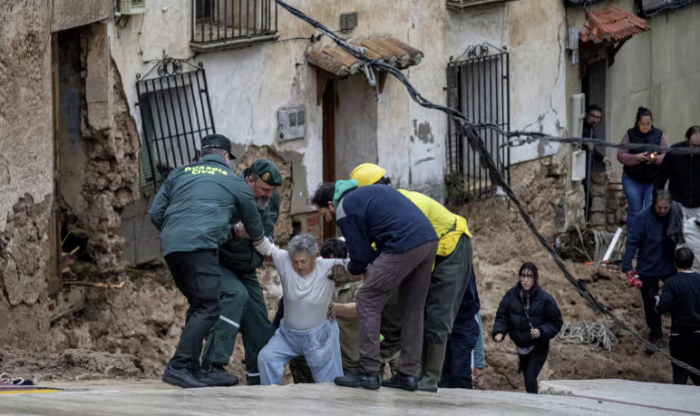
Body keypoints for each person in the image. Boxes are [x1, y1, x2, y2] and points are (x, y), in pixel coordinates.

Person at [149, 134, 266, 389]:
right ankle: (178, 366)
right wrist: (260, 242)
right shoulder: (234, 182)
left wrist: (175, 233)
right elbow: (253, 225)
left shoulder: (179, 173)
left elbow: (155, 212)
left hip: (171, 247)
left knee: (199, 303)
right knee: (209, 306)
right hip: (200, 247)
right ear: (226, 157)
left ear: (202, 153)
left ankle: (193, 368)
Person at [350, 163, 473, 392]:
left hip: (451, 248)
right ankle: (399, 368)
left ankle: (429, 378)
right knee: (397, 305)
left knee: (438, 312)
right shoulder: (380, 212)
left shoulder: (406, 204)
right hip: (422, 254)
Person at [311, 180, 438, 391]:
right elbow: (373, 249)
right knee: (413, 308)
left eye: (323, 212)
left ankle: (368, 371)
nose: (325, 218)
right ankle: (408, 374)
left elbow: (360, 258)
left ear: (330, 205)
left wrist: (349, 271)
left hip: (403, 243)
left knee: (367, 299)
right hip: (428, 240)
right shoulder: (366, 195)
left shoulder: (344, 207)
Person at [200, 159, 283, 386]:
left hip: (247, 269)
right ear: (249, 181)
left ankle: (259, 387)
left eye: (273, 190)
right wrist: (235, 232)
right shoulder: (227, 194)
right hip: (220, 263)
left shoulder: (272, 198)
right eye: (265, 189)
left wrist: (269, 244)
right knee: (236, 295)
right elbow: (209, 231)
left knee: (260, 329)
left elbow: (269, 227)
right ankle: (211, 366)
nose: (269, 195)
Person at [255, 234, 346, 385]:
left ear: (314, 256)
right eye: (295, 262)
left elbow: (358, 267)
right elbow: (265, 246)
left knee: (329, 386)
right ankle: (271, 401)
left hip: (319, 339)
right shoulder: (284, 260)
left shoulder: (330, 266)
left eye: (303, 261)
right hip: (287, 336)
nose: (299, 266)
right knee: (266, 358)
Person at [274, 237, 363, 384]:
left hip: (348, 360)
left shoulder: (357, 284)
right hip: (309, 357)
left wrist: (335, 308)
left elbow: (361, 309)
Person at [492, 263, 563, 394]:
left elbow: (556, 322)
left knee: (530, 378)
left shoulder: (545, 299)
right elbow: (502, 315)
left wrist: (542, 331)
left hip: (538, 346)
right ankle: (534, 400)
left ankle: (535, 406)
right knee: (527, 378)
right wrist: (499, 331)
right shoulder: (511, 295)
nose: (526, 280)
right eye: (523, 276)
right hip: (521, 345)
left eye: (529, 276)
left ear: (535, 278)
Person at [622, 190, 678, 352]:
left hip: (669, 264)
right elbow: (632, 242)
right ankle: (655, 335)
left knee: (677, 299)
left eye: (665, 208)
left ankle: (677, 333)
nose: (662, 211)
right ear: (653, 203)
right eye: (659, 207)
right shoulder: (642, 218)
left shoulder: (675, 215)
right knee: (650, 302)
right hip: (648, 266)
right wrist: (627, 265)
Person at [617, 107, 669, 234]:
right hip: (632, 179)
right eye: (642, 124)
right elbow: (621, 155)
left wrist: (656, 159)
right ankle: (633, 240)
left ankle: (649, 239)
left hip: (652, 179)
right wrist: (637, 158)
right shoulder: (630, 134)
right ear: (637, 123)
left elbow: (668, 155)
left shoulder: (659, 135)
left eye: (648, 124)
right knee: (635, 211)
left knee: (650, 210)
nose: (646, 127)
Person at [656, 247, 700, 385]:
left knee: (680, 376)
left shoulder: (671, 282)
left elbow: (663, 307)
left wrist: (658, 302)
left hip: (679, 336)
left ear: (675, 263)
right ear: (692, 262)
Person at [440, 270, 486, 389]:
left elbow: (478, 329)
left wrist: (479, 363)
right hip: (443, 331)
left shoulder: (468, 300)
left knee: (459, 377)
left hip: (462, 334)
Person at [655, 126, 700, 220]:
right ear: (687, 139)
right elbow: (662, 176)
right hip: (678, 203)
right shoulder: (675, 151)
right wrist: (657, 196)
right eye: (693, 145)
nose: (695, 149)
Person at [581, 104, 611, 220]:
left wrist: (602, 157)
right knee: (586, 198)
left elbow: (592, 148)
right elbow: (577, 141)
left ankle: (585, 223)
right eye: (593, 116)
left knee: (589, 199)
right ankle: (583, 224)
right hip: (581, 169)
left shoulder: (592, 129)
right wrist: (584, 144)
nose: (595, 120)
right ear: (586, 115)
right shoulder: (582, 127)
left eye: (598, 118)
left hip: (588, 169)